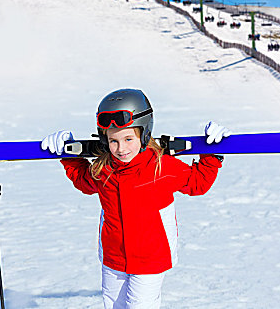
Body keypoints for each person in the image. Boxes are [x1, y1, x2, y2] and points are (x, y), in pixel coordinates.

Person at [41, 88, 231, 308]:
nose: (121, 149)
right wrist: (66, 153)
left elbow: (198, 184)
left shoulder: (162, 167)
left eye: (129, 138)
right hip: (113, 258)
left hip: (151, 259)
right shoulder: (104, 168)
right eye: (113, 141)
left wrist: (212, 152)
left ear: (145, 133)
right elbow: (83, 181)